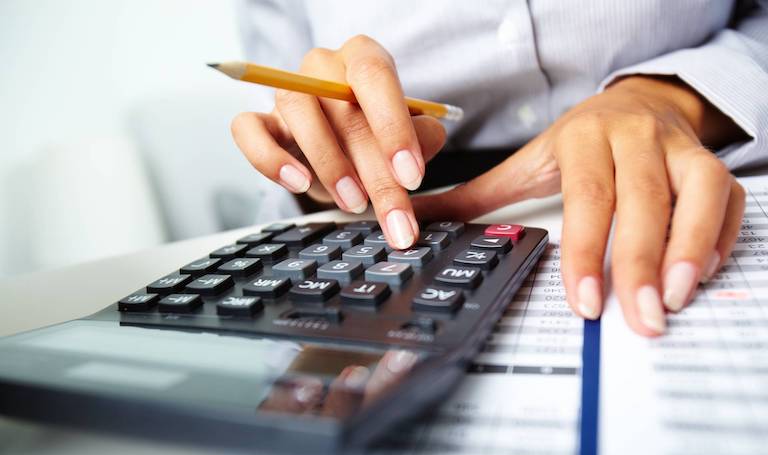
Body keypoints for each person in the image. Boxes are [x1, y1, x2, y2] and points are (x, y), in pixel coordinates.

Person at [229, 0, 768, 336]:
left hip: (691, 157)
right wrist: (319, 159)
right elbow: (289, 97)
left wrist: (671, 95)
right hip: (400, 225)